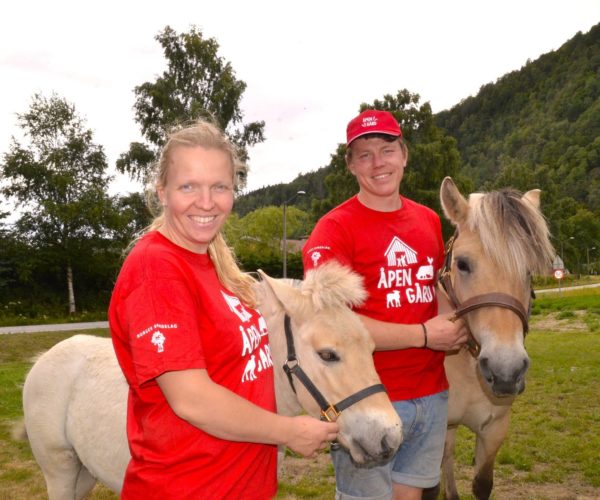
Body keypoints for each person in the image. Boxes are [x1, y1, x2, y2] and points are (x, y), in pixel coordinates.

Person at [109, 119, 338, 499]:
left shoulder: (212, 261)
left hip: (239, 485)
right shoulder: (157, 268)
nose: (206, 201)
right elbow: (191, 398)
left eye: (220, 187)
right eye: (188, 187)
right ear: (162, 192)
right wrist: (288, 430)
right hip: (188, 488)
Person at [302, 109, 468, 500]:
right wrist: (425, 335)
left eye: (387, 149)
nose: (378, 163)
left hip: (431, 394)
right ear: (351, 165)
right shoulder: (335, 229)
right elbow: (332, 326)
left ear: (404, 155)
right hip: (366, 399)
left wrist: (455, 323)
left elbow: (433, 291)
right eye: (364, 154)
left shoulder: (428, 220)